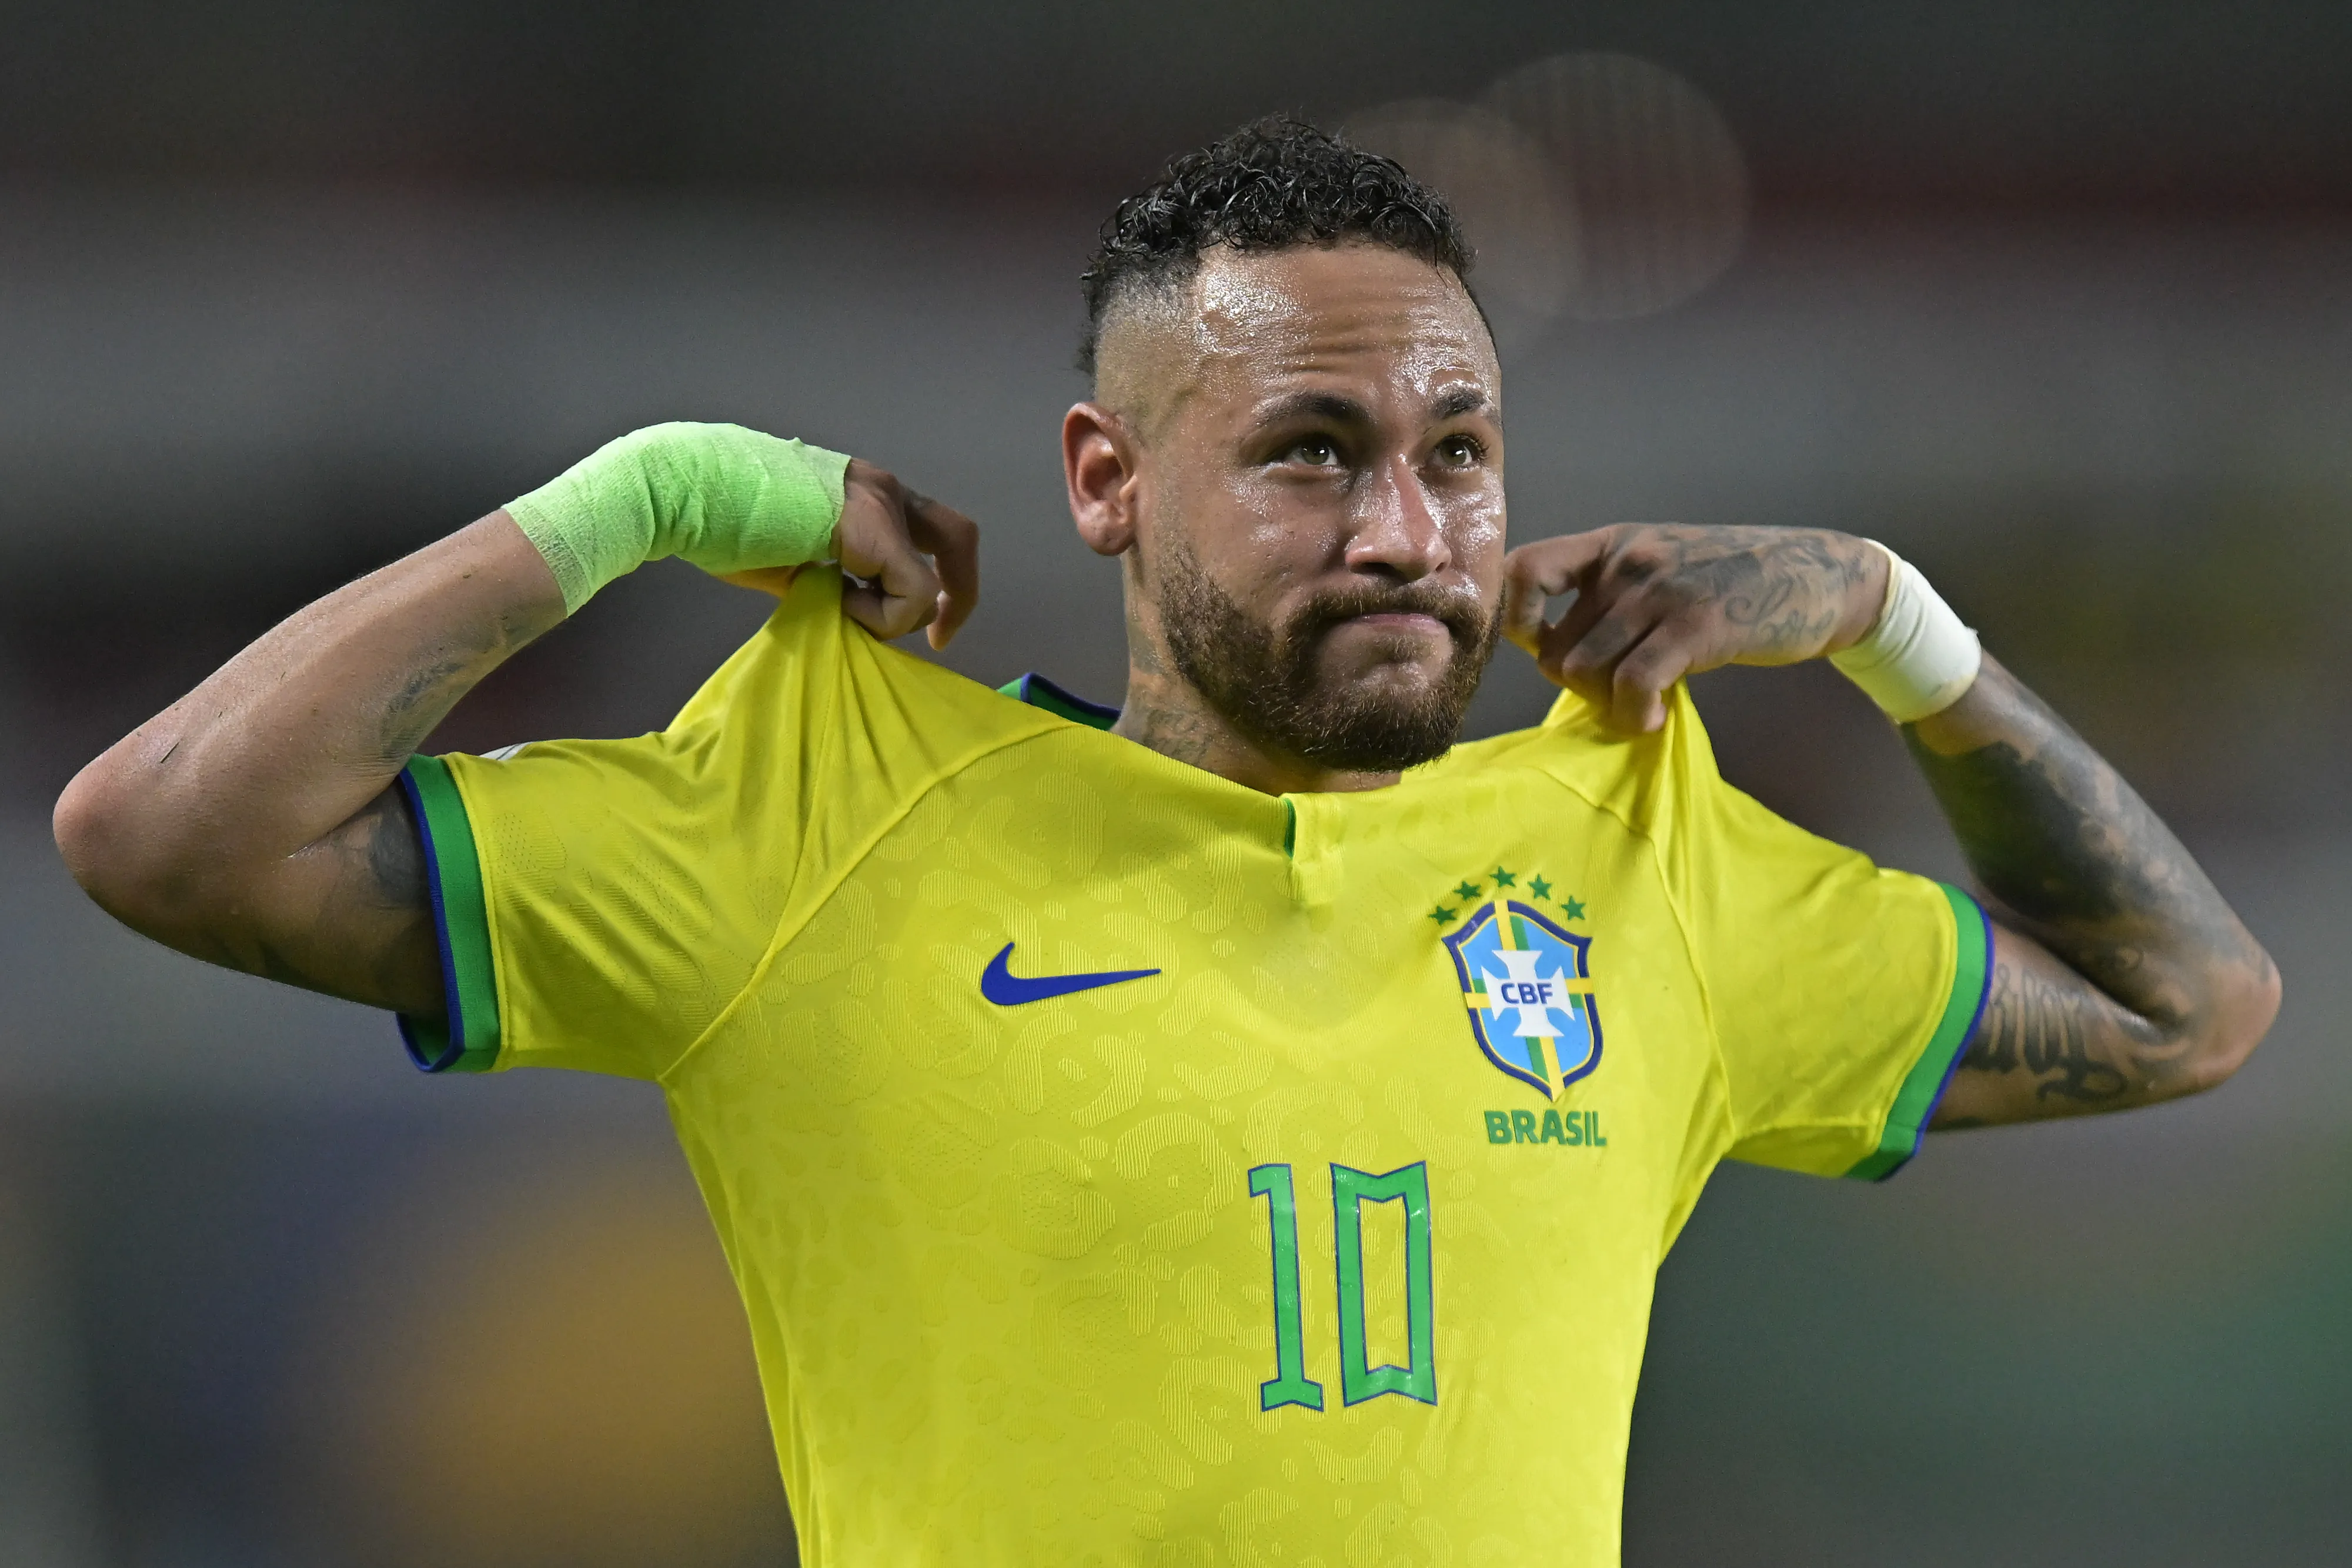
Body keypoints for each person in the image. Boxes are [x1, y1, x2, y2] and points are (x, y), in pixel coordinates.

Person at [53, 118, 2277, 1565]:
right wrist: (639, 497)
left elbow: (2195, 1010)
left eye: (1460, 451)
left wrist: (1903, 628)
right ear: (1107, 482)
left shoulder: (1640, 854)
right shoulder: (822, 817)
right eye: (1313, 452)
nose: (1409, 531)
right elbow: (163, 834)